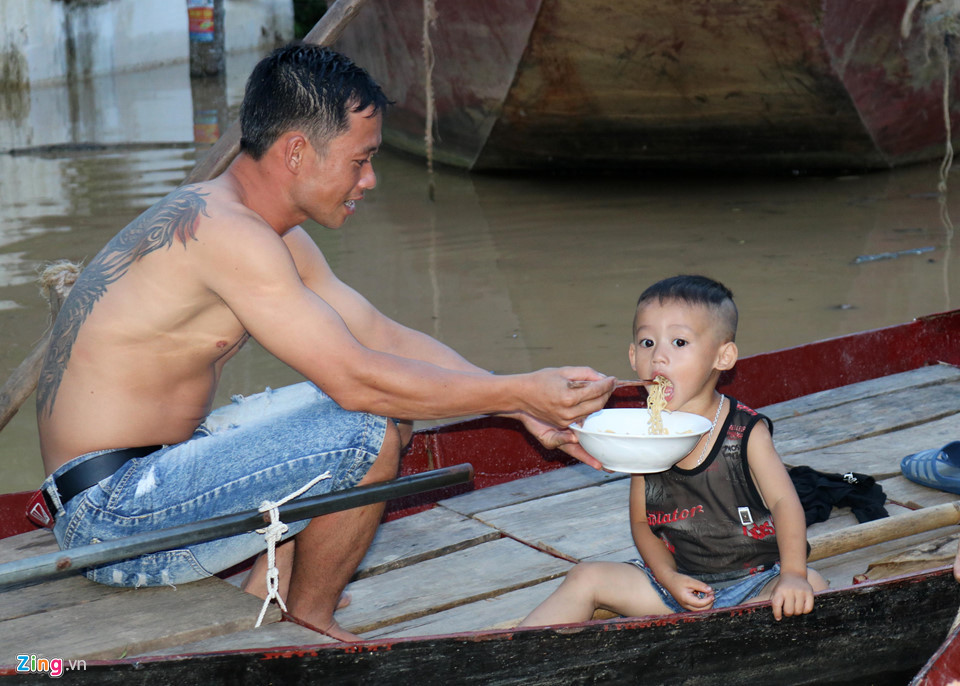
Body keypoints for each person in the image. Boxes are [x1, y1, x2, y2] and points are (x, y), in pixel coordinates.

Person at [34, 44, 615, 641]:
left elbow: (381, 338)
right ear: (296, 151)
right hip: (112, 520)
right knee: (370, 423)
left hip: (156, 476)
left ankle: (270, 583)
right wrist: (520, 390)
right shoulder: (227, 233)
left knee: (381, 398)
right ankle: (307, 623)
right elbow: (356, 380)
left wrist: (518, 404)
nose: (369, 179)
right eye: (360, 160)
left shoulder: (260, 230)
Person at [521, 274, 827, 627]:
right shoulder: (645, 433)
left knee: (814, 585)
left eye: (679, 342)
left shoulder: (745, 432)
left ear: (723, 356)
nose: (659, 357)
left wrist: (792, 573)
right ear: (633, 356)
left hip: (755, 583)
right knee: (587, 576)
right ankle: (511, 654)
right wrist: (669, 578)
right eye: (648, 342)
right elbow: (642, 523)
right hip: (674, 586)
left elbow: (784, 503)